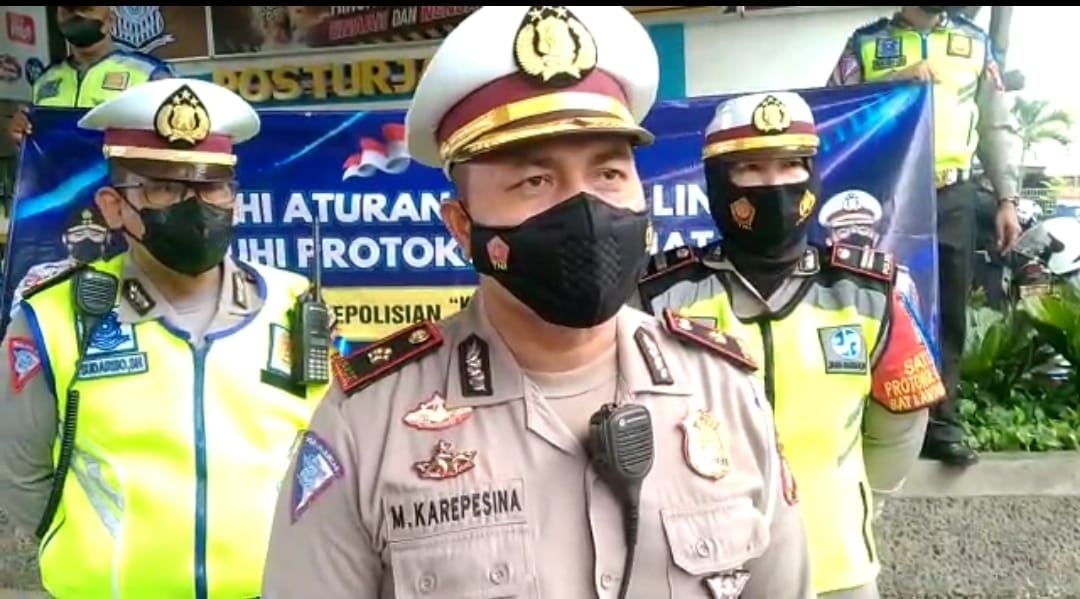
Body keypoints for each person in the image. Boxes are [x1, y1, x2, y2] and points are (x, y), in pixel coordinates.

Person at [262, 6, 813, 599]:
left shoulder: (723, 392)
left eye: (608, 174)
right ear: (462, 226)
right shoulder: (369, 424)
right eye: (535, 181)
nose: (586, 209)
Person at [0, 78, 329, 599]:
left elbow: (328, 456)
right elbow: (20, 475)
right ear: (113, 206)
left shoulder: (295, 307)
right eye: (164, 188)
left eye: (212, 187)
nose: (195, 206)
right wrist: (96, 556)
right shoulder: (53, 319)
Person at [635, 91, 946, 599]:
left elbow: (899, 427)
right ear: (717, 182)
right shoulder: (659, 296)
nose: (775, 185)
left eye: (790, 165)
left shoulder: (869, 293)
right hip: (699, 572)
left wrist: (855, 501)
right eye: (751, 169)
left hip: (836, 571)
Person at [826, 5, 1021, 467]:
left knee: (949, 310)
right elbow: (834, 110)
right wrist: (894, 84)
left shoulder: (975, 43)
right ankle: (872, 418)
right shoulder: (865, 44)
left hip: (953, 194)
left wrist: (1007, 198)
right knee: (880, 304)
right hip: (888, 194)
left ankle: (942, 424)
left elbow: (996, 125)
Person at [6, 6, 175, 143]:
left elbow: (173, 140)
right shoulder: (44, 81)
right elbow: (37, 146)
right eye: (69, 10)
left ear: (110, 20)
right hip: (61, 175)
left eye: (86, 9)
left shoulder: (149, 74)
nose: (77, 15)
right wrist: (21, 133)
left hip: (122, 175)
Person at [818, 189, 921, 312]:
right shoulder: (816, 281)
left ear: (875, 237)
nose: (854, 235)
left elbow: (910, 322)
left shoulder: (898, 280)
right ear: (829, 240)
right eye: (843, 231)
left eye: (863, 229)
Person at [9, 206, 110, 314]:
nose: (87, 239)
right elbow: (17, 313)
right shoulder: (42, 274)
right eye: (78, 235)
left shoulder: (119, 271)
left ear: (107, 238)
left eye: (95, 234)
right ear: (65, 239)